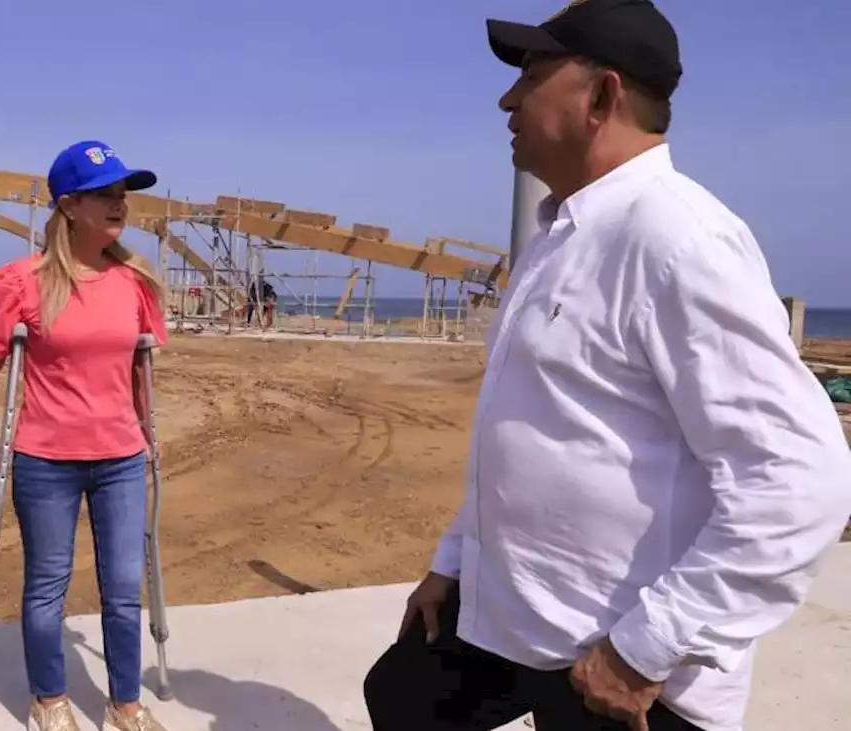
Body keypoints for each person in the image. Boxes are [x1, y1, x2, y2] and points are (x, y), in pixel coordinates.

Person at [363, 2, 851, 731]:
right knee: (403, 695)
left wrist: (642, 649)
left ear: (602, 96)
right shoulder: (560, 233)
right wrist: (455, 558)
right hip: (525, 616)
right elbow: (529, 420)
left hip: (616, 654)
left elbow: (799, 480)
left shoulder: (677, 239)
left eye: (529, 75)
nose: (506, 99)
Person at [0, 140, 170, 731]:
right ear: (69, 204)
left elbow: (139, 367)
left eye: (122, 194)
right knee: (48, 583)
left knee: (124, 585)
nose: (119, 204)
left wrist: (149, 432)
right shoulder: (20, 281)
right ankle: (49, 698)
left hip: (120, 454)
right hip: (46, 457)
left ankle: (125, 703)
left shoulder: (136, 282)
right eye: (105, 194)